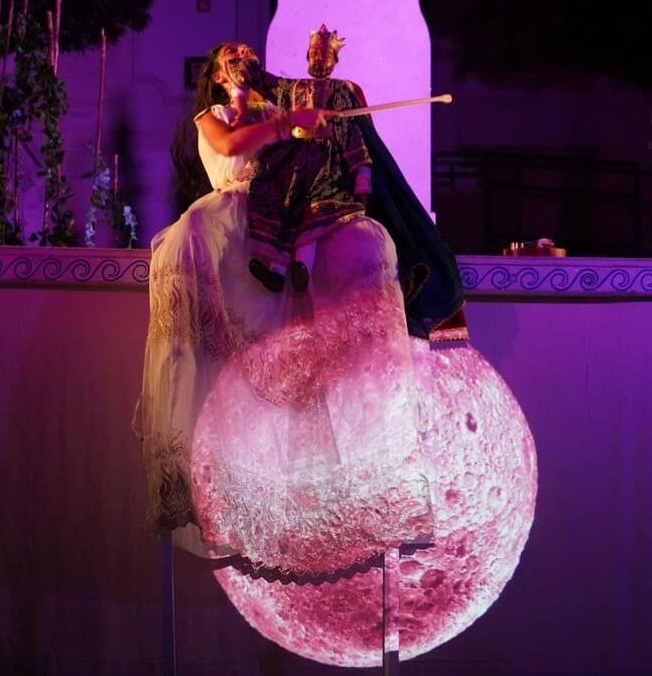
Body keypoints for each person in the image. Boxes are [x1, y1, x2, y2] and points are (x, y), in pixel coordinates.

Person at [135, 41, 436, 573]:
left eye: (247, 53)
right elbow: (231, 145)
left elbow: (312, 135)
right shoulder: (215, 115)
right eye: (231, 56)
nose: (242, 58)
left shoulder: (277, 109)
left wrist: (321, 113)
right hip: (232, 216)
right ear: (217, 74)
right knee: (208, 305)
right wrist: (286, 125)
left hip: (281, 208)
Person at [244, 26, 373, 294]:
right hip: (291, 158)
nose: (318, 58)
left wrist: (361, 174)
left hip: (324, 162)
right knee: (283, 205)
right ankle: (276, 271)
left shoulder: (340, 90)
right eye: (313, 53)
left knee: (313, 211)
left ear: (334, 59)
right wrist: (249, 67)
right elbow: (266, 83)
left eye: (324, 54)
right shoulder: (292, 87)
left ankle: (301, 266)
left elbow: (350, 132)